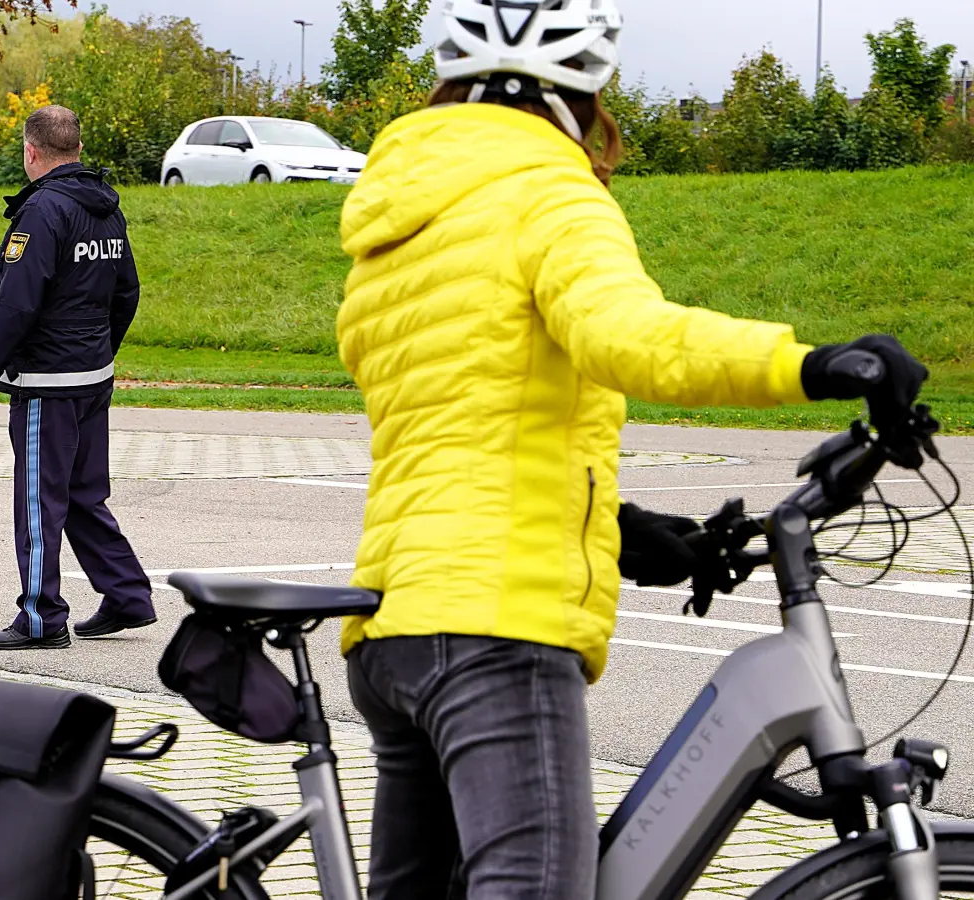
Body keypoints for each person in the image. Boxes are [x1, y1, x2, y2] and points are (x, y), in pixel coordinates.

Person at [333, 2, 930, 897]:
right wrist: (811, 364)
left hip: (397, 627)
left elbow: (464, 422)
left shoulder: (404, 218)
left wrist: (617, 528)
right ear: (582, 88)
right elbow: (630, 335)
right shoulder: (548, 189)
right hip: (498, 631)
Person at [0, 105, 156, 651]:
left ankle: (40, 616)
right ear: (75, 148)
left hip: (46, 382)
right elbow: (127, 292)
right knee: (81, 495)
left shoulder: (43, 212)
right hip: (93, 377)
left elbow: (17, 302)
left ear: (31, 152)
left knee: (39, 500)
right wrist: (100, 351)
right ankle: (126, 596)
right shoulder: (106, 211)